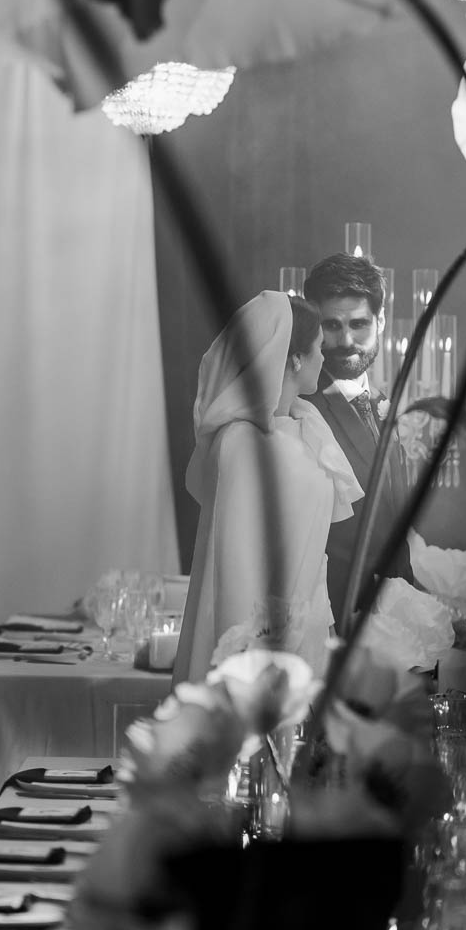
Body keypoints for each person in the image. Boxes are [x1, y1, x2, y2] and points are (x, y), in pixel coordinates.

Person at [172, 290, 362, 685]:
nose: (324, 358)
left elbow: (315, 556)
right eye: (318, 348)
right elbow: (236, 568)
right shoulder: (242, 445)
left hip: (307, 631)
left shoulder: (307, 428)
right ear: (294, 358)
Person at [303, 253, 414, 628]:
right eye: (331, 325)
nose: (346, 340)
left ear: (381, 321)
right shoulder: (300, 410)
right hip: (333, 624)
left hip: (395, 624)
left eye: (359, 324)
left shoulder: (385, 404)